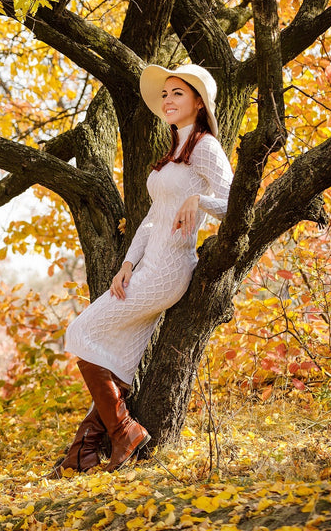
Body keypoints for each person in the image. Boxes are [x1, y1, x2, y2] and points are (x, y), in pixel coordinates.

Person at [49, 63, 234, 477]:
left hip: (170, 268)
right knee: (118, 359)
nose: (168, 100)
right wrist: (127, 263)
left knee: (80, 332)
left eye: (178, 94)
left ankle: (127, 431)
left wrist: (199, 203)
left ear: (199, 102)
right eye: (165, 94)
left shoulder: (205, 146)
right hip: (148, 264)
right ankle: (81, 454)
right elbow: (151, 219)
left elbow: (237, 202)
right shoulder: (174, 153)